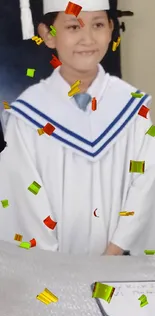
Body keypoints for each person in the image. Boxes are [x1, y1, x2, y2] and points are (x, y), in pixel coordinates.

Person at [0, 0, 155, 256]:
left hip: (119, 266)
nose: (88, 39)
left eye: (98, 25)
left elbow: (148, 181)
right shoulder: (28, 115)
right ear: (48, 35)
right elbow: (23, 194)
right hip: (50, 274)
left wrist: (113, 253)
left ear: (111, 29)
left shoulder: (132, 107)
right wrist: (58, 270)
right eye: (73, 27)